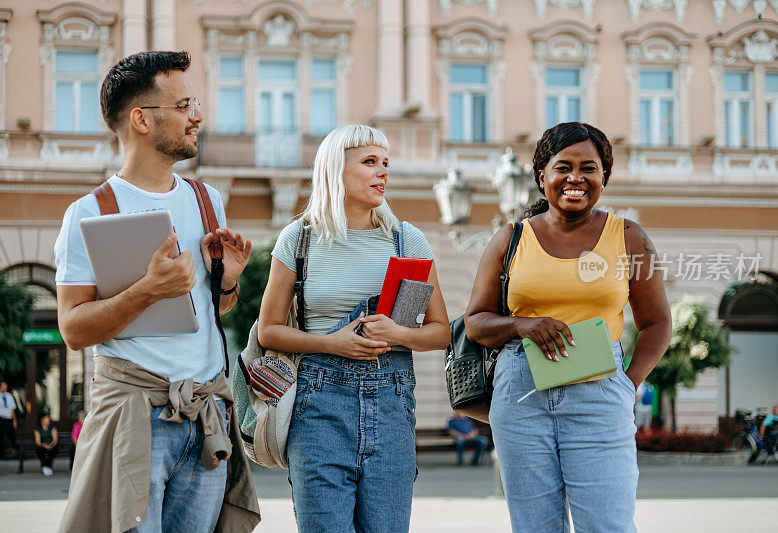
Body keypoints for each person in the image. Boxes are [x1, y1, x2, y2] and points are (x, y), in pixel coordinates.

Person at [55, 51, 259, 532]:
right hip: (136, 419)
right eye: (184, 105)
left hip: (206, 416)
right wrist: (147, 291)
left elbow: (216, 311)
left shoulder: (208, 200)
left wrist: (226, 281)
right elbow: (72, 329)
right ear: (141, 119)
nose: (198, 116)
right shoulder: (90, 212)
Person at [464, 122, 672, 532]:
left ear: (603, 178)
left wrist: (628, 384)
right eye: (563, 167)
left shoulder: (628, 237)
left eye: (589, 168)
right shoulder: (510, 239)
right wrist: (521, 324)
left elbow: (658, 322)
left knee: (608, 524)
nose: (575, 178)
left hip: (600, 394)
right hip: (520, 396)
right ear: (542, 176)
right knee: (535, 527)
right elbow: (475, 323)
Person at [258, 124, 450, 532]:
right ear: (335, 170)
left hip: (392, 405)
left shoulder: (406, 240)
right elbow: (268, 331)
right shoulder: (300, 239)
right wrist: (332, 344)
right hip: (318, 407)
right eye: (369, 162)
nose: (382, 172)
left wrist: (398, 334)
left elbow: (440, 331)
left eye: (386, 164)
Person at [0, 381, 21, 461]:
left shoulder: (9, 396)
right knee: (1, 438)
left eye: (6, 386)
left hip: (9, 419)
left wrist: (14, 420)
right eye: (3, 386)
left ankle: (19, 453)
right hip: (1, 418)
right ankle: (2, 455)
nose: (5, 387)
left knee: (12, 436)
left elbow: (12, 409)